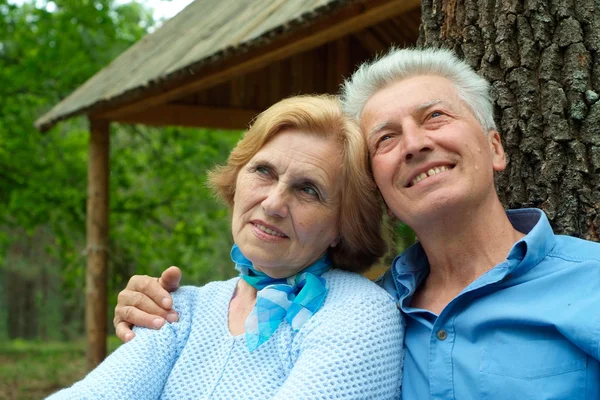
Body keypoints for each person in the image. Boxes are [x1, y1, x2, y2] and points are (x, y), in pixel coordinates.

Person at [116, 48, 600, 399]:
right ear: (380, 193)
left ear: (495, 147)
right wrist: (150, 307)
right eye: (385, 139)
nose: (413, 145)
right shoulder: (363, 312)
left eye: (434, 117)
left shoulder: (590, 283)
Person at [48, 95, 404, 399]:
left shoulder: (360, 312)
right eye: (263, 171)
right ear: (236, 181)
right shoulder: (180, 309)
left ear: (343, 226)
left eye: (308, 189)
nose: (273, 203)